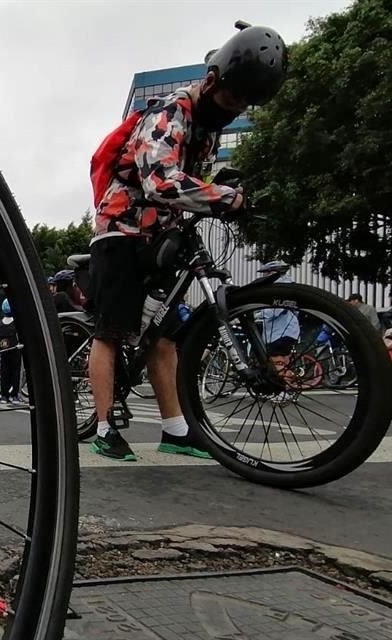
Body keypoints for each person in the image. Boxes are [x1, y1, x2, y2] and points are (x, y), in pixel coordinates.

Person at [87, 23, 286, 461]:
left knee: (164, 335)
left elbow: (195, 185)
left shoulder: (208, 129)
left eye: (246, 105)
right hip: (121, 233)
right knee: (111, 332)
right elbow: (160, 181)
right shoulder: (168, 113)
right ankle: (104, 428)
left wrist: (220, 193)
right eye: (234, 100)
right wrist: (224, 196)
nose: (235, 111)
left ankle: (176, 431)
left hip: (162, 235)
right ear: (212, 82)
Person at [0, 299, 21, 407]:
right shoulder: (17, 321)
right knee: (15, 372)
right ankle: (14, 394)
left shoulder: (0, 322)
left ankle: (4, 395)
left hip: (3, 350)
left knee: (4, 372)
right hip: (15, 349)